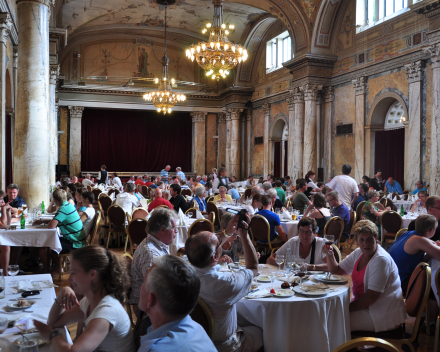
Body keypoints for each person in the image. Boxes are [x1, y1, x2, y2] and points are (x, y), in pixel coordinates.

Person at [34, 246, 135, 352]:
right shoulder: (89, 301)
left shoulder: (107, 311)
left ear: (92, 275)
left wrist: (52, 335)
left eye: (73, 273)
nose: (69, 278)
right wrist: (60, 297)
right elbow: (54, 322)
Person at [185, 219, 264, 352]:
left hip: (193, 340)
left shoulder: (183, 270)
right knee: (262, 330)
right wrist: (245, 236)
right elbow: (253, 268)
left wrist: (227, 232)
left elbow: (203, 246)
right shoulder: (225, 283)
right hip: (223, 346)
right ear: (215, 256)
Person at [325, 220, 406, 332]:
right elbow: (337, 271)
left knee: (334, 322)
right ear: (357, 242)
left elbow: (371, 297)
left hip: (381, 314)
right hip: (367, 307)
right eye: (361, 240)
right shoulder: (359, 252)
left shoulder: (380, 260)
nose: (365, 243)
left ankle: (348, 348)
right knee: (330, 313)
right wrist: (329, 253)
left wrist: (345, 309)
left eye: (369, 239)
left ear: (376, 239)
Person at [138, 255, 216, 352]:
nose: (141, 287)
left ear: (150, 299)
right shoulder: (197, 328)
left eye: (144, 282)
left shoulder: (157, 350)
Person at [388, 214, 440, 330]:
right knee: (432, 286)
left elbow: (420, 259)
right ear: (431, 230)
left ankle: (423, 316)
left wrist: (432, 248)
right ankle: (429, 324)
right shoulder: (419, 240)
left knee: (428, 279)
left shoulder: (408, 233)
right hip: (398, 281)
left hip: (392, 277)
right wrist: (434, 246)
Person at [130, 208, 177, 306]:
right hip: (147, 308)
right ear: (162, 229)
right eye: (173, 228)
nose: (176, 231)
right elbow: (155, 291)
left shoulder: (157, 244)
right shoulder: (151, 254)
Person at [35, 189, 85, 273]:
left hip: (75, 243)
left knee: (45, 248)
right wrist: (42, 221)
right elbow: (56, 220)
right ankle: (56, 267)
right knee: (48, 242)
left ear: (55, 199)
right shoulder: (68, 205)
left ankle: (52, 269)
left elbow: (51, 226)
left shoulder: (63, 209)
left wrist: (45, 222)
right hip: (77, 239)